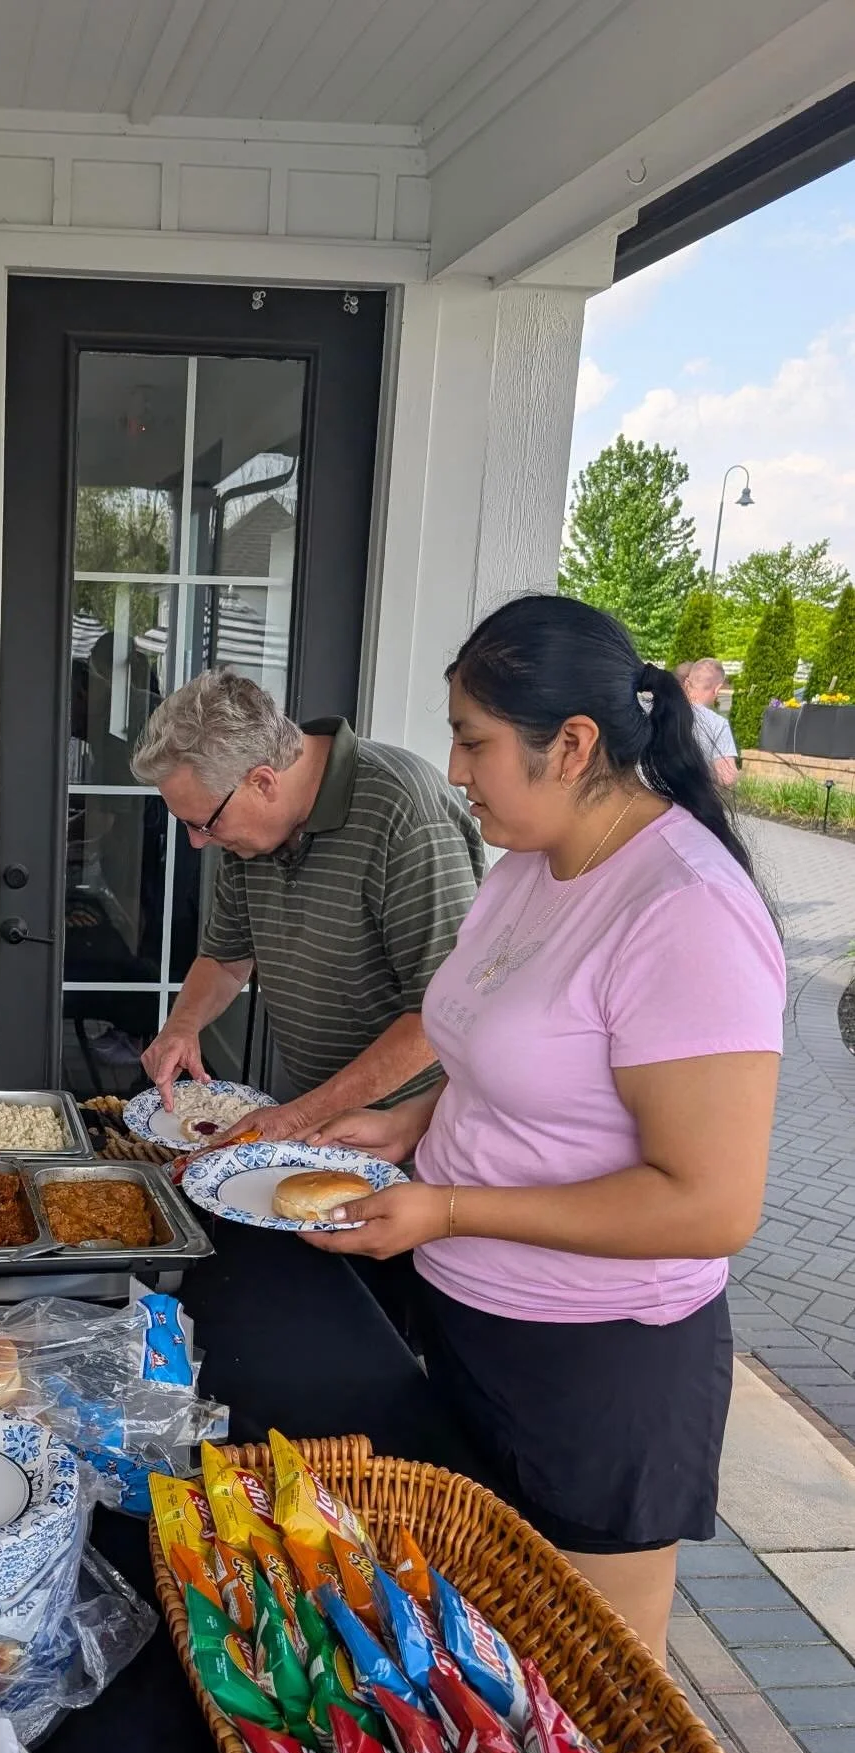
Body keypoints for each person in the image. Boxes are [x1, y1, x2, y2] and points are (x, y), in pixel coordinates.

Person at [309, 595, 784, 1658]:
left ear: (571, 745)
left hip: (600, 1367)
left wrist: (448, 1206)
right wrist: (411, 1125)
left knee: (592, 1681)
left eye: (473, 741)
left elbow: (710, 1203)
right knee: (478, 1651)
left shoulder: (683, 910)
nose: (457, 770)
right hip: (471, 1318)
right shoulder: (529, 864)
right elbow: (510, 1058)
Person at [131, 669, 485, 1132]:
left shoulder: (406, 815)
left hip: (420, 1128)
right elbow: (226, 956)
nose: (197, 843)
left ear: (262, 782)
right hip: (323, 1111)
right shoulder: (250, 834)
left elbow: (439, 1018)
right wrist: (182, 1025)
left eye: (204, 824)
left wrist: (299, 1115)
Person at [679, 658, 739, 787]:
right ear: (718, 689)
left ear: (687, 683)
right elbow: (727, 778)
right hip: (688, 800)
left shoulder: (657, 710)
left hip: (643, 800)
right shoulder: (718, 724)